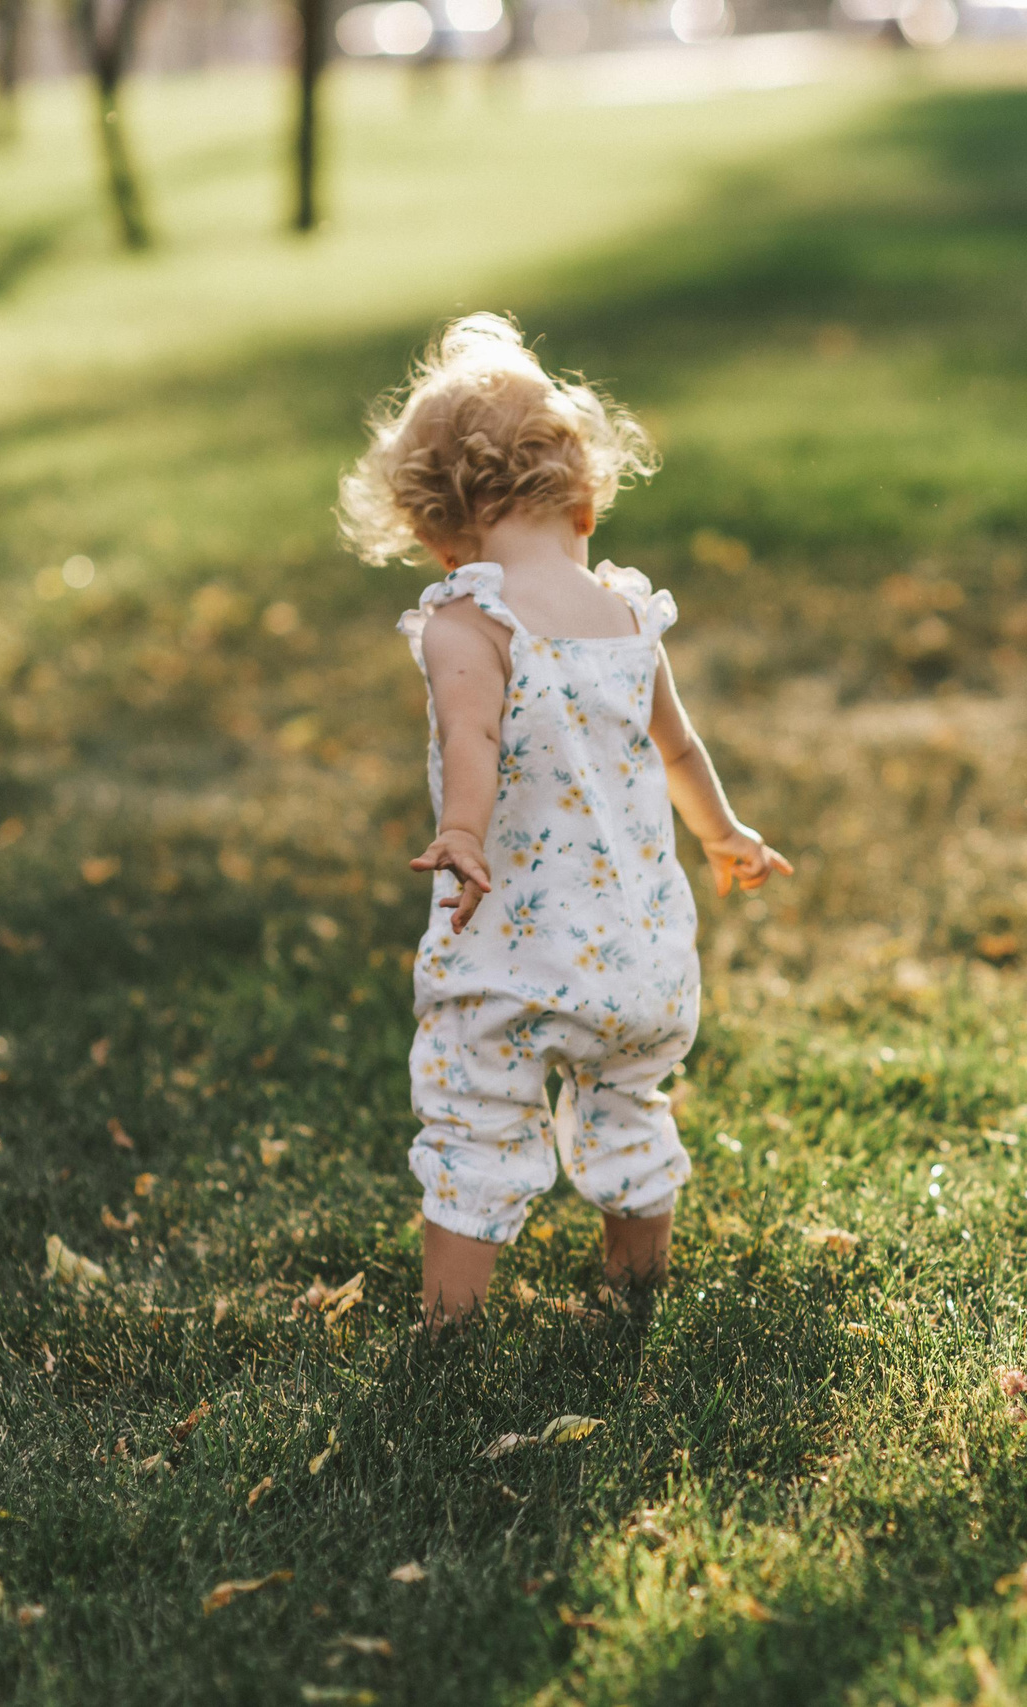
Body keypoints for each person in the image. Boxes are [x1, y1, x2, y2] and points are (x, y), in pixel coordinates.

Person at [339, 314, 792, 1328]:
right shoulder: (628, 616)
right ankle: (636, 1298)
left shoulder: (471, 618)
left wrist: (461, 834)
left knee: (477, 1115)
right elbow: (678, 747)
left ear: (431, 526)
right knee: (627, 1105)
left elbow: (473, 742)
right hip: (638, 952)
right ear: (584, 497)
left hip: (513, 949)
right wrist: (724, 835)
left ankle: (449, 1334)